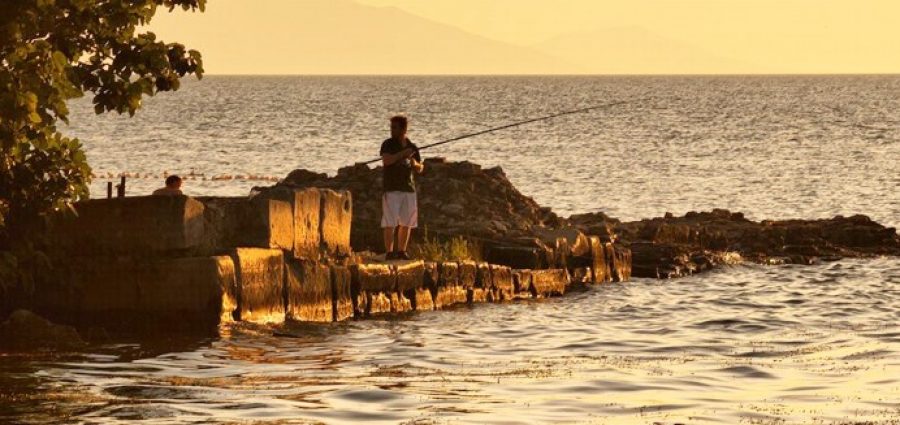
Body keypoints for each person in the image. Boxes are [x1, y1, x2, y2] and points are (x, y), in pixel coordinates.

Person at [380, 115, 424, 260]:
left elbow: (420, 167)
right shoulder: (388, 144)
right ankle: (389, 252)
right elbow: (387, 160)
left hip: (408, 188)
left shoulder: (412, 146)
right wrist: (402, 154)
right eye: (391, 127)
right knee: (390, 222)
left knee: (407, 222)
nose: (392, 130)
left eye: (395, 127)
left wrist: (414, 163)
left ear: (403, 129)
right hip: (392, 187)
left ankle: (401, 251)